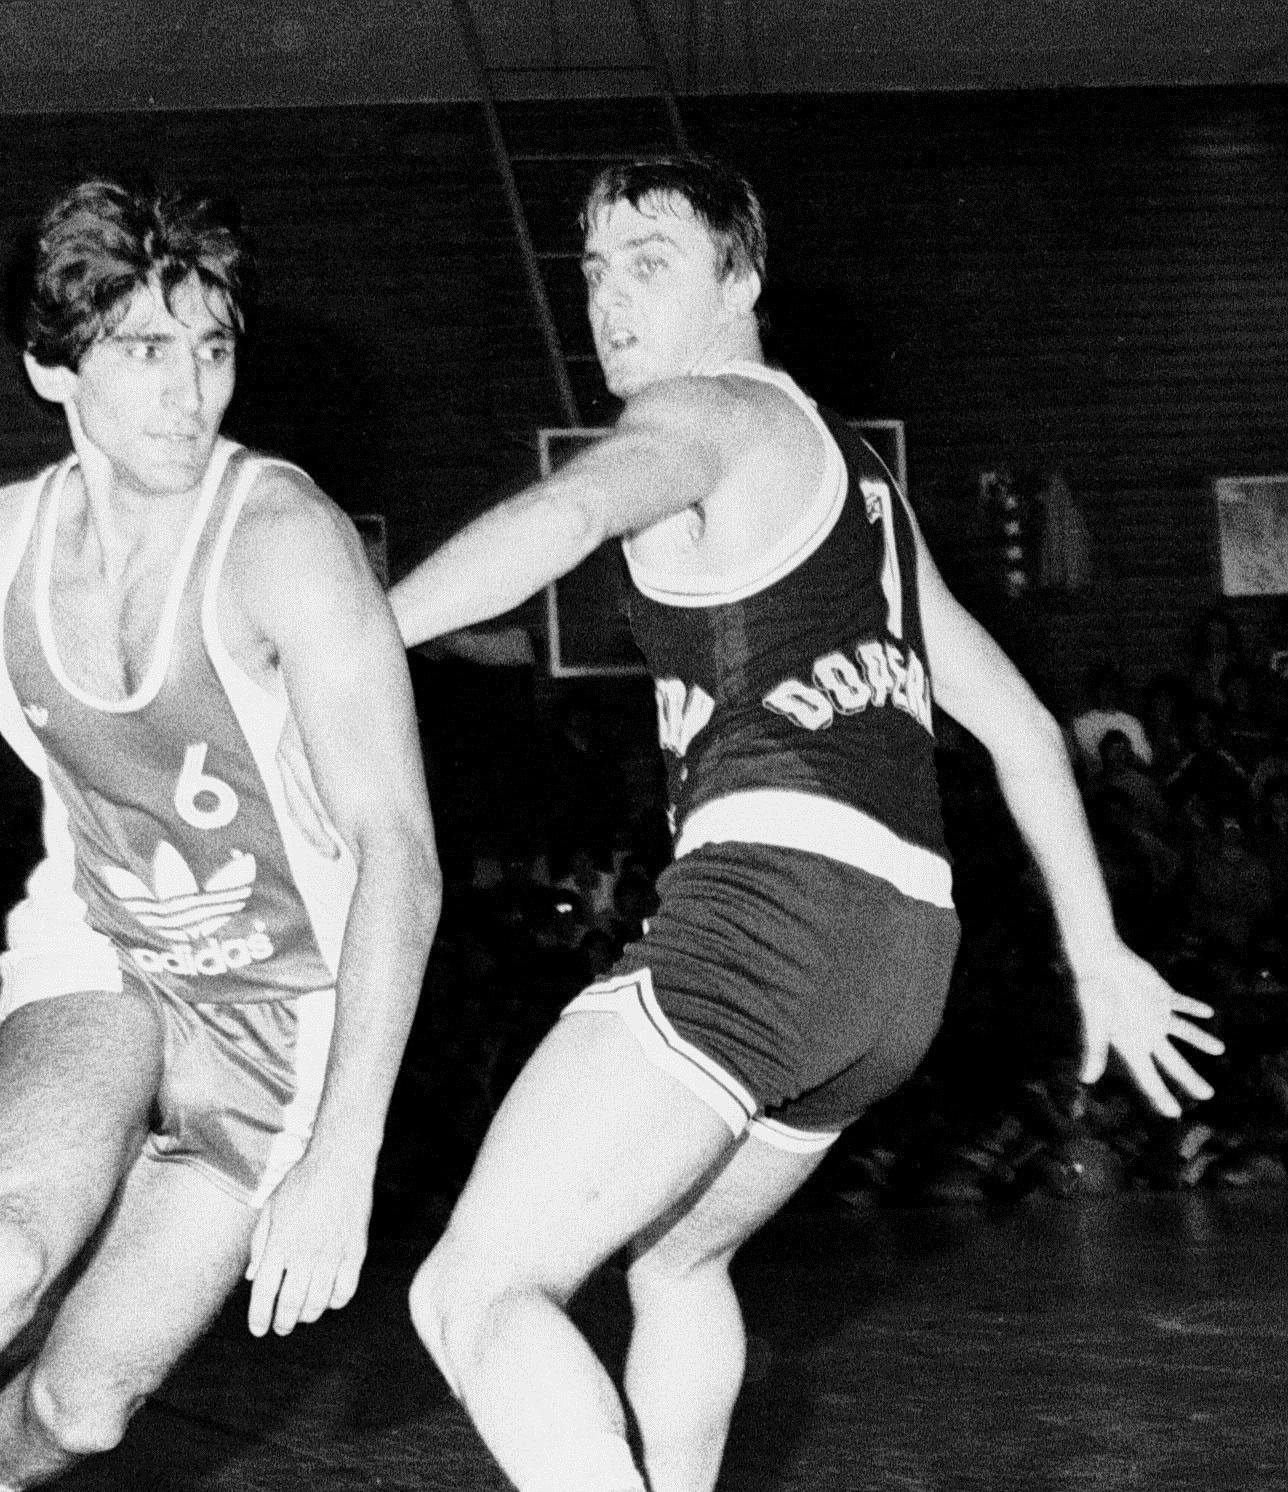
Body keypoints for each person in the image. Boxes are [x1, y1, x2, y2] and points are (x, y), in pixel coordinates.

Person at [389, 155, 1224, 1492]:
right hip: (899, 962)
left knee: (472, 1289)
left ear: (742, 280)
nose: (608, 300)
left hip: (775, 913)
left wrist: (351, 638)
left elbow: (566, 510)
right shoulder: (857, 482)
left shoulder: (698, 412)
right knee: (677, 1257)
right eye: (594, 271)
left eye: (650, 263)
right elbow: (1020, 728)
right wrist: (1098, 948)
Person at [0, 178, 440, 1492]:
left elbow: (397, 854)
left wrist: (345, 1149)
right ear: (51, 367)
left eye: (213, 349)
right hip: (106, 954)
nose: (190, 394)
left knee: (80, 1410)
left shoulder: (284, 542)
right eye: (143, 351)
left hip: (289, 998)